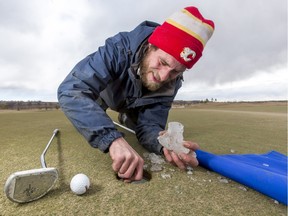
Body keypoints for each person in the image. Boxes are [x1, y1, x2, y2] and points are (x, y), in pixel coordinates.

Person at [58, 6, 214, 182]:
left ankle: (127, 119)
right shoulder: (118, 48)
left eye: (175, 72)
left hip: (134, 105)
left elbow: (151, 125)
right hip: (102, 95)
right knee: (89, 113)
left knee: (138, 127)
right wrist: (112, 140)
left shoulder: (172, 82)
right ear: (151, 46)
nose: (163, 77)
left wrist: (164, 144)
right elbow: (72, 90)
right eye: (162, 62)